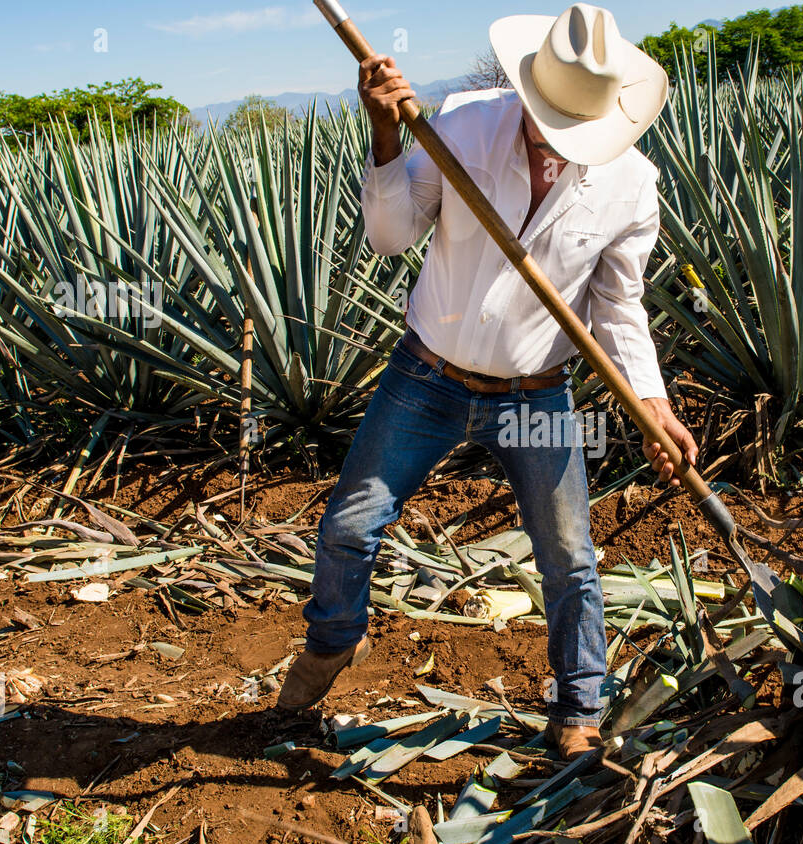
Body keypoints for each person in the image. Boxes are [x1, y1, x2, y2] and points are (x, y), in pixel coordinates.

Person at [278, 3, 698, 759]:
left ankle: (578, 707)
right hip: (427, 375)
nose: (551, 138)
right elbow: (390, 238)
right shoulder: (462, 127)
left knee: (569, 556)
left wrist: (653, 404)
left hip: (537, 394)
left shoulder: (631, 186)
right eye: (544, 118)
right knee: (347, 526)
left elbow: (618, 307)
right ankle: (335, 640)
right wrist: (385, 137)